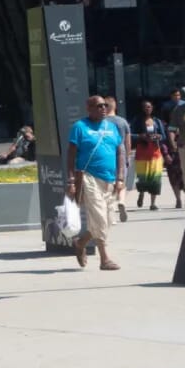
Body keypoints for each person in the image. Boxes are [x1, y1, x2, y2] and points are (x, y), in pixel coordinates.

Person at [64, 94, 122, 271]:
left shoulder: (112, 127)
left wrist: (120, 178)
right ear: (89, 109)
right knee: (99, 218)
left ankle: (81, 242)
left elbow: (120, 153)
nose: (103, 108)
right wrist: (71, 181)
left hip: (110, 179)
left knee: (108, 220)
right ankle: (104, 259)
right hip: (89, 177)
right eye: (98, 106)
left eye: (105, 105)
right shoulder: (80, 127)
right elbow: (71, 155)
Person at [131, 100, 166, 212]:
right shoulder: (137, 120)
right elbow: (131, 135)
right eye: (145, 107)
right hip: (142, 154)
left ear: (152, 108)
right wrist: (141, 136)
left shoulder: (157, 121)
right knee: (143, 178)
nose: (147, 109)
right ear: (142, 108)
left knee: (155, 179)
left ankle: (153, 203)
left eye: (149, 107)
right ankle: (141, 193)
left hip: (155, 153)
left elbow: (163, 136)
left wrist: (158, 136)